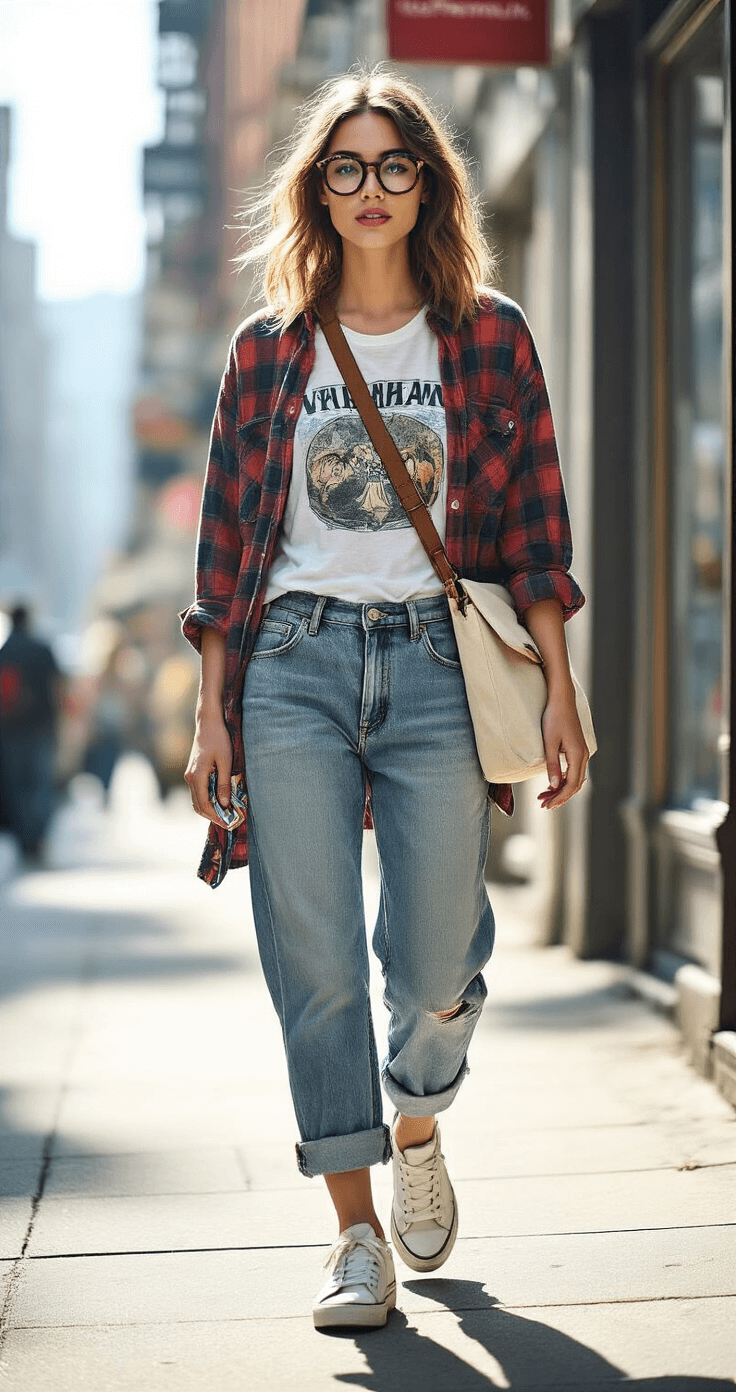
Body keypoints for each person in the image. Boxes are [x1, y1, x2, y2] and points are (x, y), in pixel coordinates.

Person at [182, 67, 589, 1331]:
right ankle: (354, 1234)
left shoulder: (489, 335)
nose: (370, 189)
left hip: (434, 665)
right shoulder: (267, 352)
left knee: (431, 961)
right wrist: (213, 709)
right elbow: (222, 549)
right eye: (346, 168)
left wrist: (559, 686)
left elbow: (532, 529)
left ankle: (418, 1118)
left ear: (428, 183)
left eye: (394, 165)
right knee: (310, 963)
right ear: (319, 187)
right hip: (291, 666)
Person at [0, 604, 61, 861]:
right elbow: (57, 689)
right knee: (39, 784)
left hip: (9, 728)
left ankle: (25, 840)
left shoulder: (4, 651)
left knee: (16, 785)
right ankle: (37, 838)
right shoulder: (42, 649)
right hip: (40, 726)